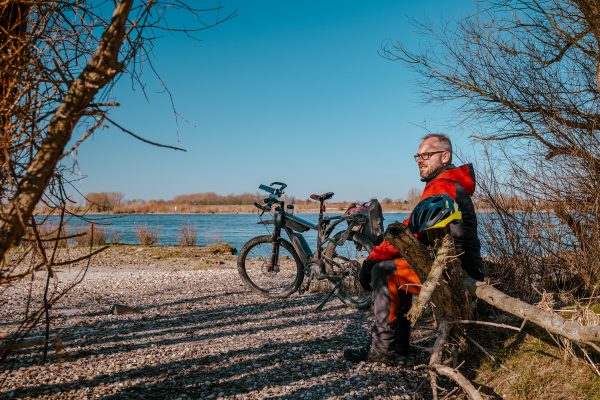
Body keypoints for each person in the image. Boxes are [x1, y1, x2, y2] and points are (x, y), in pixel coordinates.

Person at [344, 133, 484, 364]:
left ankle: (381, 348)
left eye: (427, 155)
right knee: (396, 268)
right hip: (461, 269)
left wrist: (370, 260)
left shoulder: (442, 186)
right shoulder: (449, 182)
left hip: (457, 275)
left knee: (383, 271)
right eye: (417, 156)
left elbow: (411, 230)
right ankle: (398, 344)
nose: (420, 160)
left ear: (445, 156)